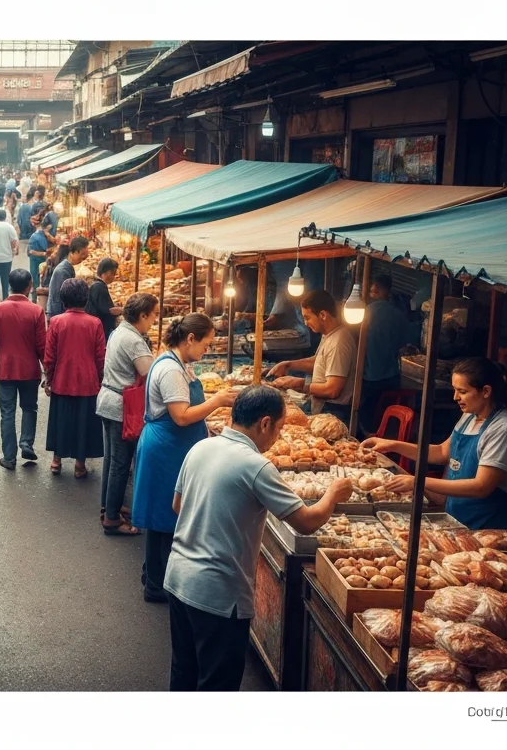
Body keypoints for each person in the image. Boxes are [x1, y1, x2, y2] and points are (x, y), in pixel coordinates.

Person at [164, 385, 350, 690]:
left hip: (179, 579)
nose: (277, 436)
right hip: (218, 594)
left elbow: (178, 505)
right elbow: (306, 522)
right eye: (278, 428)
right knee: (216, 686)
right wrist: (332, 494)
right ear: (264, 423)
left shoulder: (201, 447)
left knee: (184, 673)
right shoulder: (256, 466)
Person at [132, 313, 238, 603]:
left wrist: (206, 424)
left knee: (168, 515)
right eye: (205, 344)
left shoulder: (180, 364)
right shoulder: (171, 370)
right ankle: (155, 583)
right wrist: (216, 402)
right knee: (162, 516)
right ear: (190, 339)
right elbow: (180, 417)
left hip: (174, 447)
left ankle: (155, 575)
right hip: (166, 448)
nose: (207, 350)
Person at [363, 357, 507, 531]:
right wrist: (392, 445)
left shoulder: (504, 430)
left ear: (486, 391)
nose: (455, 397)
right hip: (459, 519)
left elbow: (481, 486)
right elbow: (443, 451)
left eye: (462, 391)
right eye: (454, 390)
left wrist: (418, 481)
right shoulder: (469, 417)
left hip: (492, 525)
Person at [95, 293, 159, 536]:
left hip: (108, 400)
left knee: (112, 461)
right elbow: (150, 373)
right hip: (120, 405)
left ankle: (109, 506)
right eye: (153, 315)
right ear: (142, 315)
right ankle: (111, 518)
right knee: (120, 464)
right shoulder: (133, 340)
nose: (154, 320)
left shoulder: (120, 331)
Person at [43, 278, 106, 479]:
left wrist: (49, 379)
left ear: (63, 300)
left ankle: (56, 460)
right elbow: (100, 357)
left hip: (62, 379)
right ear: (85, 299)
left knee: (60, 420)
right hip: (88, 381)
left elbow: (50, 355)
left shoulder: (56, 322)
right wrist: (100, 378)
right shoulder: (95, 323)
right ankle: (80, 465)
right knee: (83, 422)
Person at [0, 268, 47, 470]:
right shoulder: (36, 311)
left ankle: (9, 457)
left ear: (9, 285)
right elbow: (42, 346)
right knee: (30, 407)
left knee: (7, 412)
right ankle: (27, 443)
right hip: (29, 370)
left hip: (6, 369)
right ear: (29, 286)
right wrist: (48, 371)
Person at [266, 290, 357, 421]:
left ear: (323, 315)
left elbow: (332, 389)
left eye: (307, 317)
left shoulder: (339, 342)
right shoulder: (329, 335)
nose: (305, 323)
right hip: (324, 406)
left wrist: (300, 384)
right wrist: (288, 364)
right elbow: (319, 362)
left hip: (334, 411)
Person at [359, 273, 409, 434]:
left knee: (368, 422)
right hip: (392, 378)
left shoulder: (364, 313)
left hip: (369, 378)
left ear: (376, 290)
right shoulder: (399, 315)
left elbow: (356, 341)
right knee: (385, 420)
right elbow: (405, 344)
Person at [47, 236, 91, 319]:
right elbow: (59, 299)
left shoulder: (67, 267)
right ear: (73, 253)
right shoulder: (62, 271)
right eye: (82, 255)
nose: (83, 258)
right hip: (58, 315)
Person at [85, 257, 123, 337]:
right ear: (105, 272)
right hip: (100, 330)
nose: (114, 276)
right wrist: (123, 310)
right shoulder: (99, 287)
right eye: (113, 273)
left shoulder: (95, 284)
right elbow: (108, 310)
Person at [27, 223, 51, 295]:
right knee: (36, 279)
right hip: (36, 261)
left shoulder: (43, 235)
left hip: (41, 261)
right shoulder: (36, 237)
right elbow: (31, 251)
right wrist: (44, 254)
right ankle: (35, 296)